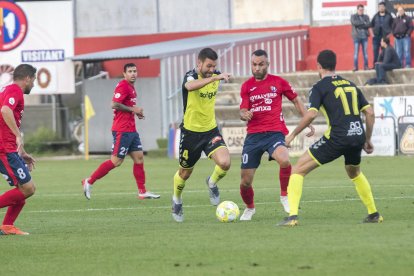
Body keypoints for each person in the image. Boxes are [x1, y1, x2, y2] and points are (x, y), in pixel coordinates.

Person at [278, 50, 383, 227]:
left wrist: (293, 134)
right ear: (335, 65)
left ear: (318, 66)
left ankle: (292, 217)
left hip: (337, 138)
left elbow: (311, 115)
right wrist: (367, 139)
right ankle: (373, 213)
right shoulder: (351, 84)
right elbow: (370, 113)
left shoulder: (319, 87)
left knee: (297, 170)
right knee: (354, 172)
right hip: (356, 136)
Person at [238, 49, 314, 221]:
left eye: (260, 64)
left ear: (267, 64)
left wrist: (307, 119)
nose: (257, 68)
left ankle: (284, 195)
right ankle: (250, 208)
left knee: (285, 159)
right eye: (254, 64)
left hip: (275, 132)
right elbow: (243, 109)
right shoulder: (247, 86)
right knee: (245, 181)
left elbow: (295, 100)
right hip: (254, 136)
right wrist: (244, 114)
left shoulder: (278, 82)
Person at [82, 63, 160, 200]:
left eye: (135, 71)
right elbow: (114, 104)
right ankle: (89, 181)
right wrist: (133, 110)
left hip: (131, 129)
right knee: (116, 162)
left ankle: (142, 191)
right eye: (130, 71)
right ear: (124, 74)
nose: (133, 73)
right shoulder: (123, 85)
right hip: (122, 130)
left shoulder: (132, 88)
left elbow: (127, 106)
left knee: (139, 157)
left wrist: (136, 112)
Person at [171, 48, 231, 222]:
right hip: (190, 134)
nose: (212, 69)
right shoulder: (190, 76)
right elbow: (190, 87)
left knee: (225, 163)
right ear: (199, 63)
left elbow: (217, 76)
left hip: (210, 131)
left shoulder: (216, 75)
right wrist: (214, 78)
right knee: (184, 174)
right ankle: (176, 199)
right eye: (208, 66)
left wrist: (219, 76)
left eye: (214, 66)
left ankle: (211, 182)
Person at [0, 64, 37, 235]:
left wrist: (21, 151)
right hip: (4, 149)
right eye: (34, 80)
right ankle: (7, 226)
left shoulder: (8, 89)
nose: (34, 84)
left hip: (8, 149)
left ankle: (7, 226)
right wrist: (18, 136)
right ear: (27, 78)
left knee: (21, 190)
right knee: (28, 188)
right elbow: (5, 110)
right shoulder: (15, 90)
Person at [371, 2, 393, 66]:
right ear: (378, 8)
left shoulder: (389, 16)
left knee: (385, 52)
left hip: (385, 37)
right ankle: (375, 65)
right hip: (376, 37)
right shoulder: (375, 16)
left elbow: (393, 26)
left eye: (382, 6)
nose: (381, 8)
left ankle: (384, 64)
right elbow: (371, 25)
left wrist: (389, 35)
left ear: (385, 7)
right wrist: (372, 34)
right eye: (380, 7)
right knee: (375, 52)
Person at [351, 4, 371, 71]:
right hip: (356, 37)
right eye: (360, 10)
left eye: (362, 10)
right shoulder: (353, 16)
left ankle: (366, 66)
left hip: (364, 37)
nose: (361, 11)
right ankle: (355, 67)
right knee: (356, 53)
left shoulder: (366, 16)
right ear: (357, 10)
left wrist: (361, 24)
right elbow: (354, 23)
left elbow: (368, 24)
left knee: (365, 53)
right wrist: (363, 23)